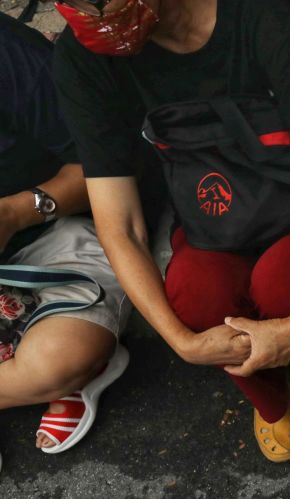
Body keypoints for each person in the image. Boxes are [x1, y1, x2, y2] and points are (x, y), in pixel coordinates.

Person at [51, 0, 290, 463]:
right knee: (192, 293)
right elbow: (119, 224)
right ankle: (269, 395)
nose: (97, 14)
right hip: (210, 212)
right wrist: (181, 342)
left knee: (285, 286)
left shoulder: (268, 18)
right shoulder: (82, 55)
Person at [0, 13, 129, 467]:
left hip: (53, 230)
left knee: (58, 359)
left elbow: (100, 168)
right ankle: (26, 387)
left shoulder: (12, 57)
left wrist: (14, 213)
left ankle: (51, 376)